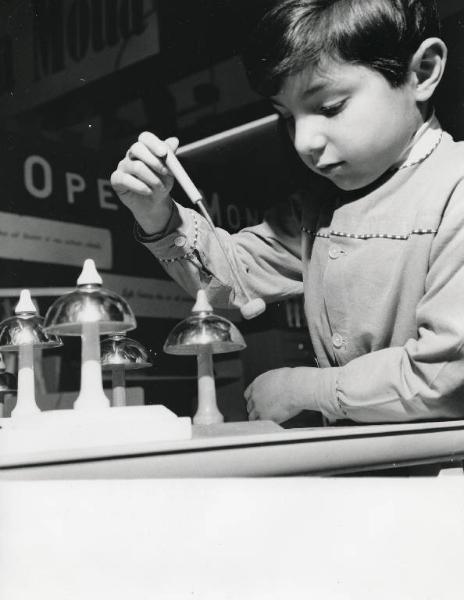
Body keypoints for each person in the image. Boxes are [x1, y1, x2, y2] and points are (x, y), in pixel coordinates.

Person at [110, 0, 464, 425]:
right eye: (287, 117)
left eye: (330, 106)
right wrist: (157, 212)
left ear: (422, 72)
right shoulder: (318, 205)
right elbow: (234, 280)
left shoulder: (456, 187)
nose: (304, 142)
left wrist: (307, 389)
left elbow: (444, 376)